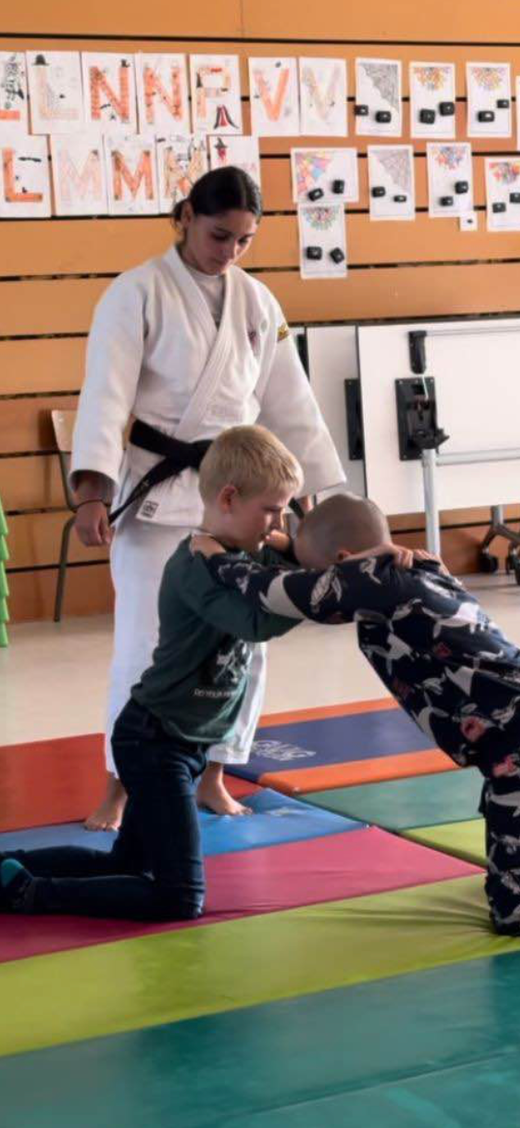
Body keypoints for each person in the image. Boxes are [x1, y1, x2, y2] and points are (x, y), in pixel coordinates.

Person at [189, 493, 520, 936]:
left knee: (519, 910)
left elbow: (273, 591)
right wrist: (289, 541)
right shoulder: (411, 568)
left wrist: (213, 553)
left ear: (338, 563)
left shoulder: (373, 581)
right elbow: (314, 565)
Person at [70, 165, 344, 831]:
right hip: (160, 494)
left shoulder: (257, 303)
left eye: (244, 240)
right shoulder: (135, 294)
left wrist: (327, 497)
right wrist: (92, 491)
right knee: (144, 645)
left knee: (244, 645)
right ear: (184, 216)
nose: (230, 252)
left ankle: (215, 775)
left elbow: (292, 403)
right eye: (220, 235)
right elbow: (106, 396)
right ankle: (121, 786)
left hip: (238, 502)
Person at [0, 427, 305, 920]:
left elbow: (301, 554)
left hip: (180, 744)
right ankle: (29, 894)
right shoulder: (195, 565)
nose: (280, 521)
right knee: (179, 897)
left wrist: (365, 556)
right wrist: (317, 600)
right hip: (153, 742)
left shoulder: (248, 551)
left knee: (130, 861)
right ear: (228, 497)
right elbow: (255, 621)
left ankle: (7, 869)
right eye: (271, 509)